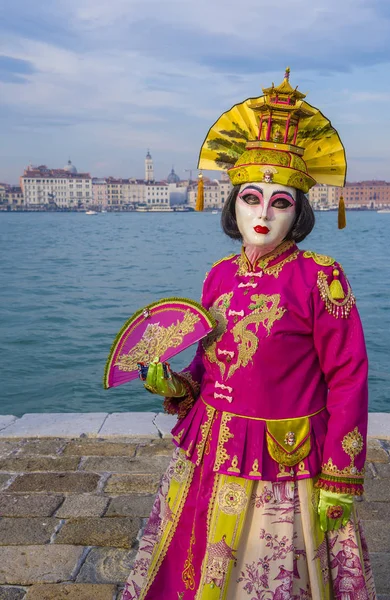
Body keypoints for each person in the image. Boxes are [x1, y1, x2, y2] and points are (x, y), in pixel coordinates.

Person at [122, 69, 376, 600]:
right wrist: (175, 384)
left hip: (287, 457)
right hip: (212, 447)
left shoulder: (320, 278)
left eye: (280, 202)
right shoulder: (217, 275)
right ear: (232, 203)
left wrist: (341, 475)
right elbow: (208, 362)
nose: (262, 213)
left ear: (298, 211)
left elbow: (349, 375)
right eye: (251, 198)